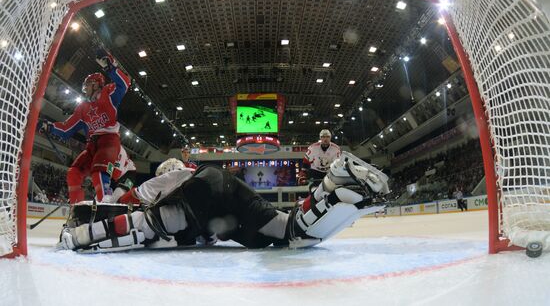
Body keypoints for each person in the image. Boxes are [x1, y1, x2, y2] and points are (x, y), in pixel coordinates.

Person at [57, 152, 390, 252]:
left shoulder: (173, 175)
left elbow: (133, 202)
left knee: (151, 223)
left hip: (211, 187)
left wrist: (85, 222)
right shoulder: (202, 209)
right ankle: (336, 186)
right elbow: (209, 233)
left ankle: (82, 239)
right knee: (288, 232)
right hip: (229, 202)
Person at [39, 49, 130, 204]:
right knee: (73, 173)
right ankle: (76, 212)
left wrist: (110, 67)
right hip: (92, 145)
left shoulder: (109, 93)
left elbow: (125, 84)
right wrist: (49, 126)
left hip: (109, 141)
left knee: (99, 174)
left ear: (96, 85)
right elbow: (67, 129)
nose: (85, 88)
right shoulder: (82, 108)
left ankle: (104, 211)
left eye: (88, 85)